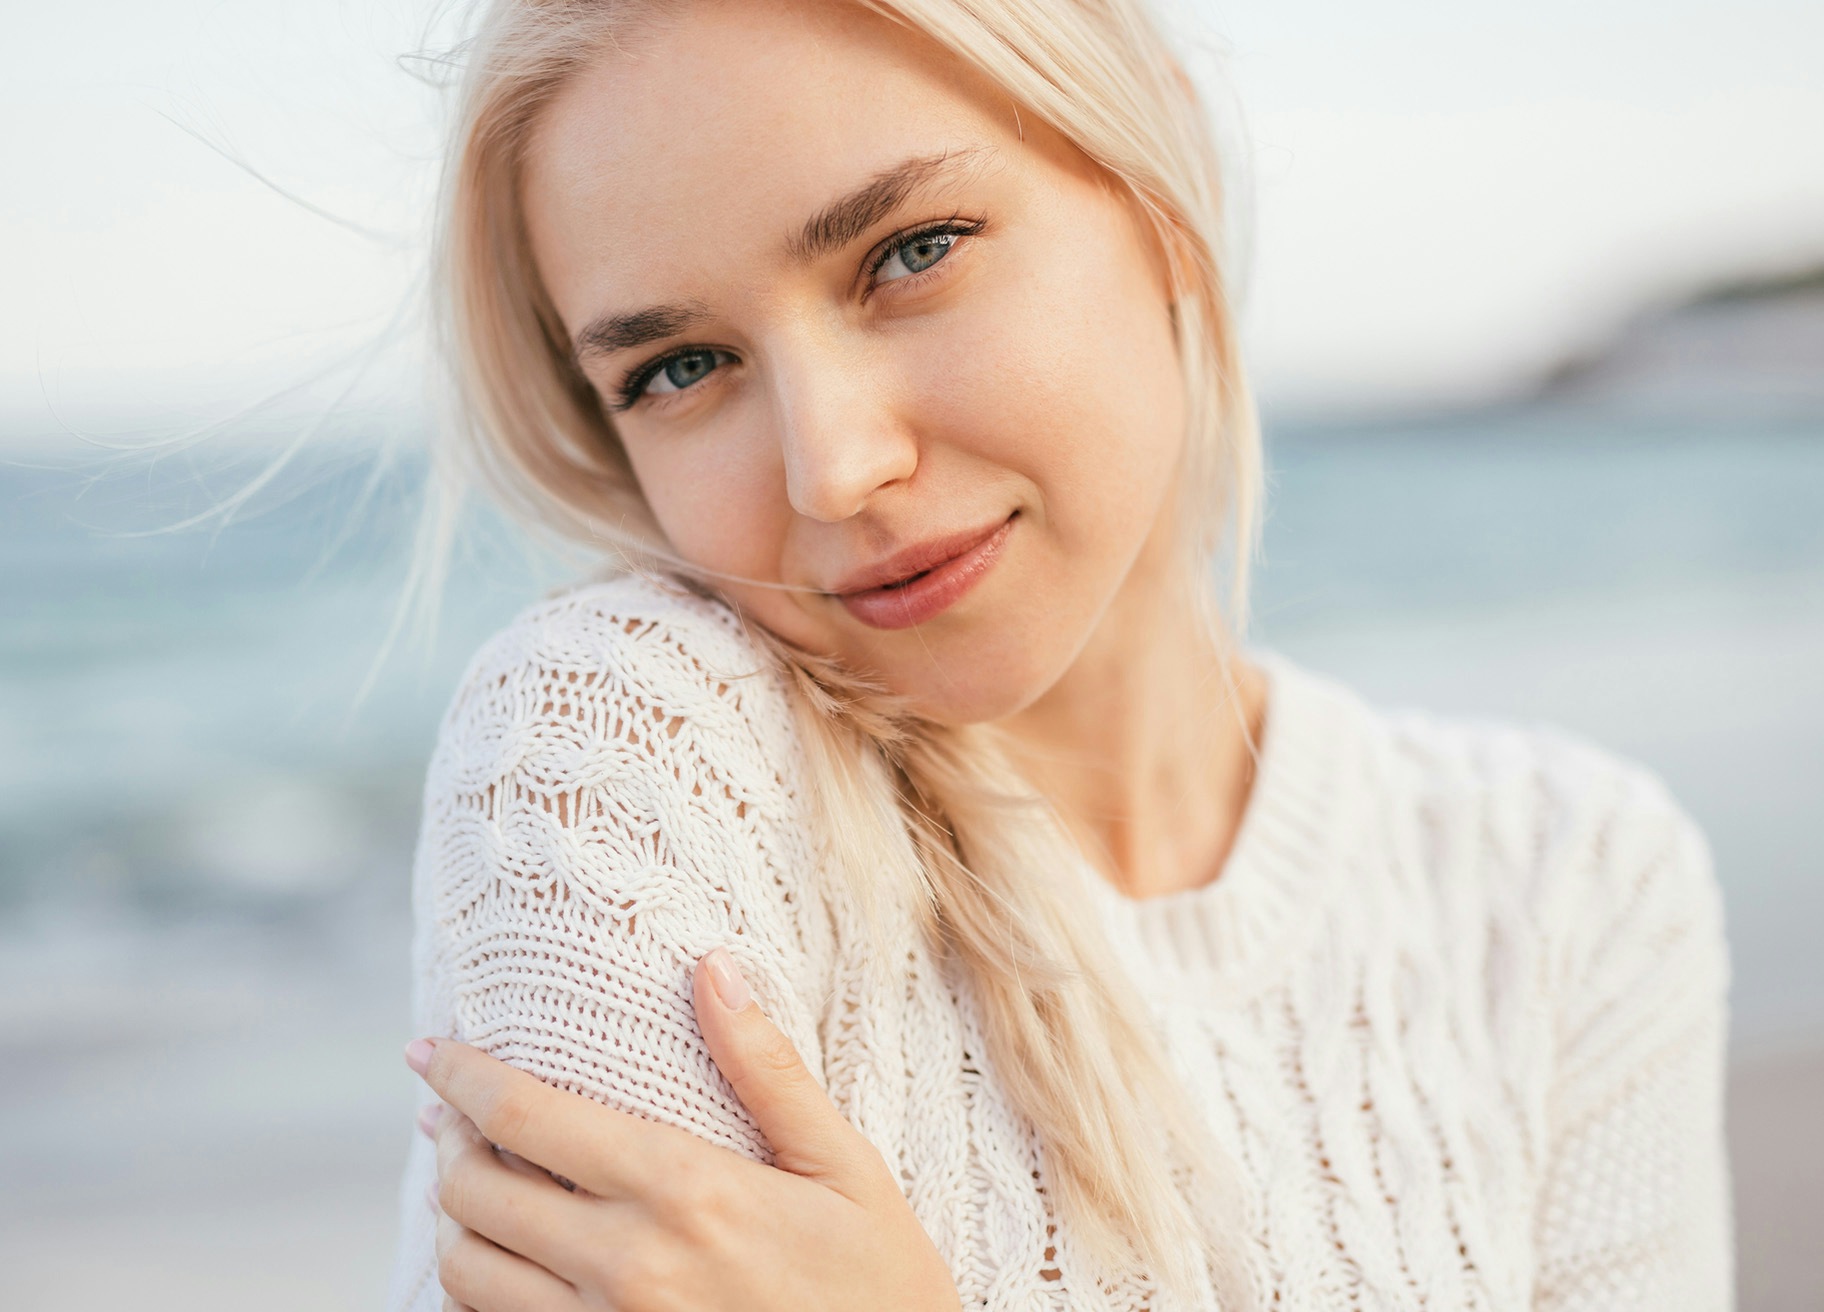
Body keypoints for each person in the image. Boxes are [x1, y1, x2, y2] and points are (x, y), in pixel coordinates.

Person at [385, 0, 1734, 1308]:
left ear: (1164, 184)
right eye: (680, 368)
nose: (835, 467)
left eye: (912, 252)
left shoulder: (1567, 885)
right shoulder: (617, 751)